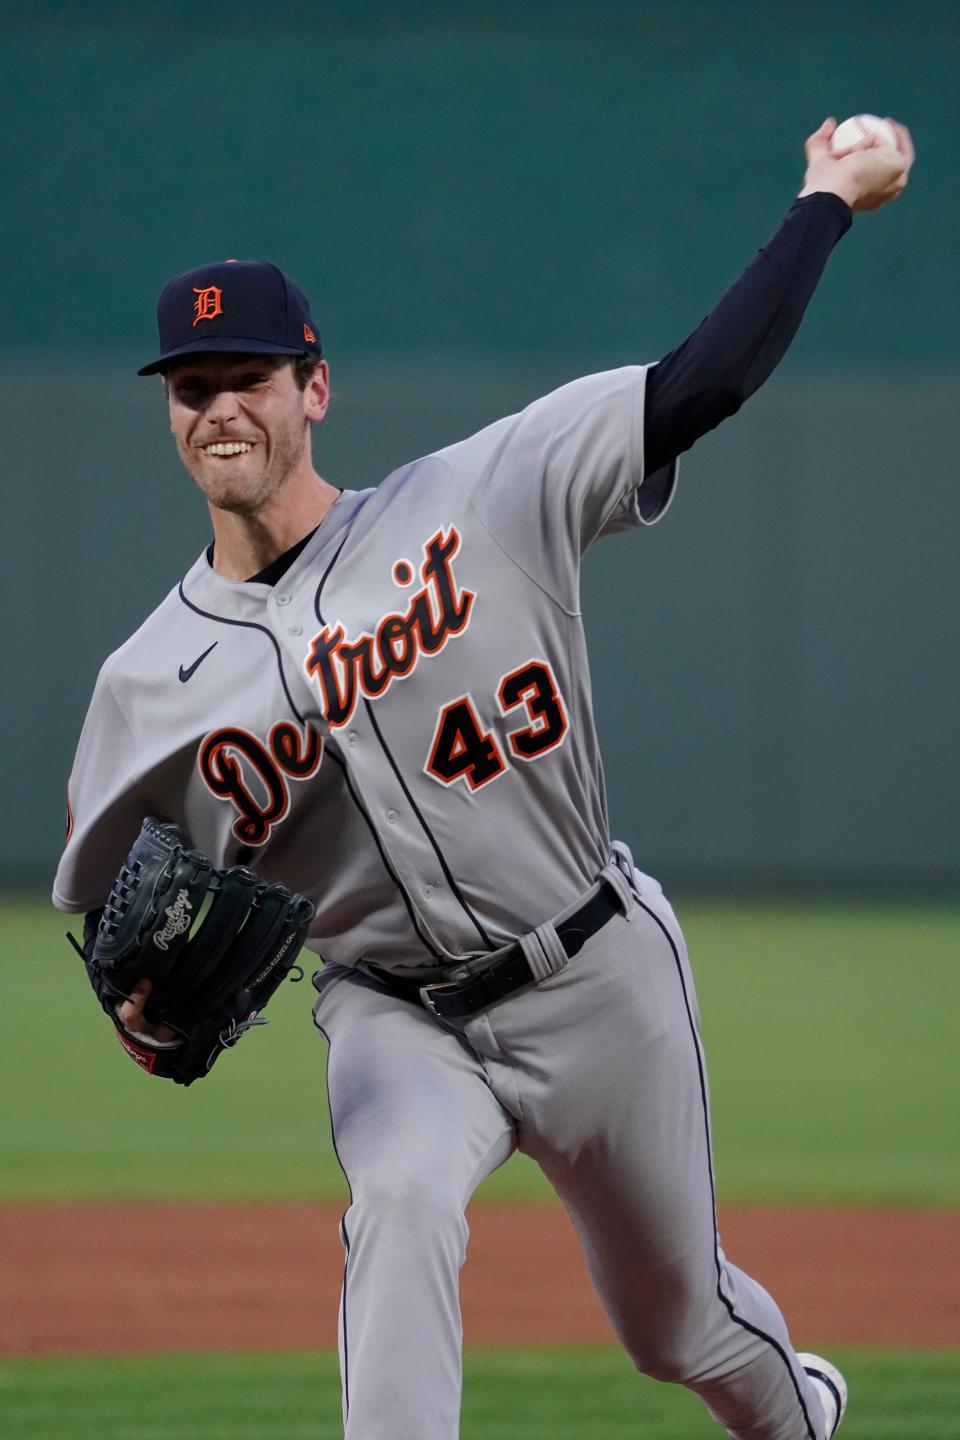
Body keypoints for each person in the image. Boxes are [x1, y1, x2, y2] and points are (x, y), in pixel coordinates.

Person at [54, 118, 912, 1439]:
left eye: (251, 374)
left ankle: (801, 1414)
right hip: (397, 1018)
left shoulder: (481, 497)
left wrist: (826, 201)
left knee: (680, 1329)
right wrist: (141, 1007)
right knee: (396, 1201)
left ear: (313, 387)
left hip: (595, 972)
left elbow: (702, 384)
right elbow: (111, 925)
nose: (221, 404)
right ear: (171, 412)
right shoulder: (142, 685)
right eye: (190, 383)